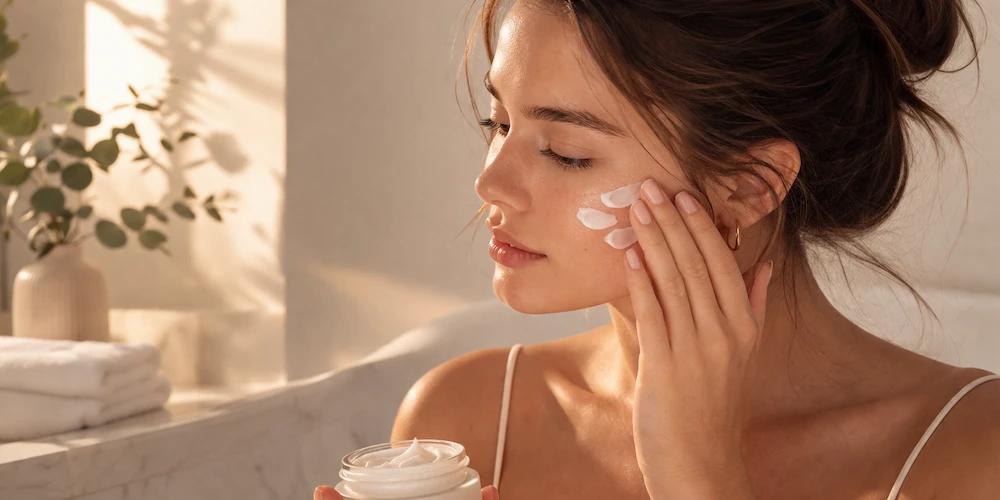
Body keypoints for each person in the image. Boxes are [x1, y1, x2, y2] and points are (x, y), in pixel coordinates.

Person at [315, 0, 999, 498]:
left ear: (747, 187)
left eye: (566, 153)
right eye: (498, 122)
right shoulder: (463, 419)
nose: (490, 181)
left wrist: (699, 475)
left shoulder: (971, 450)